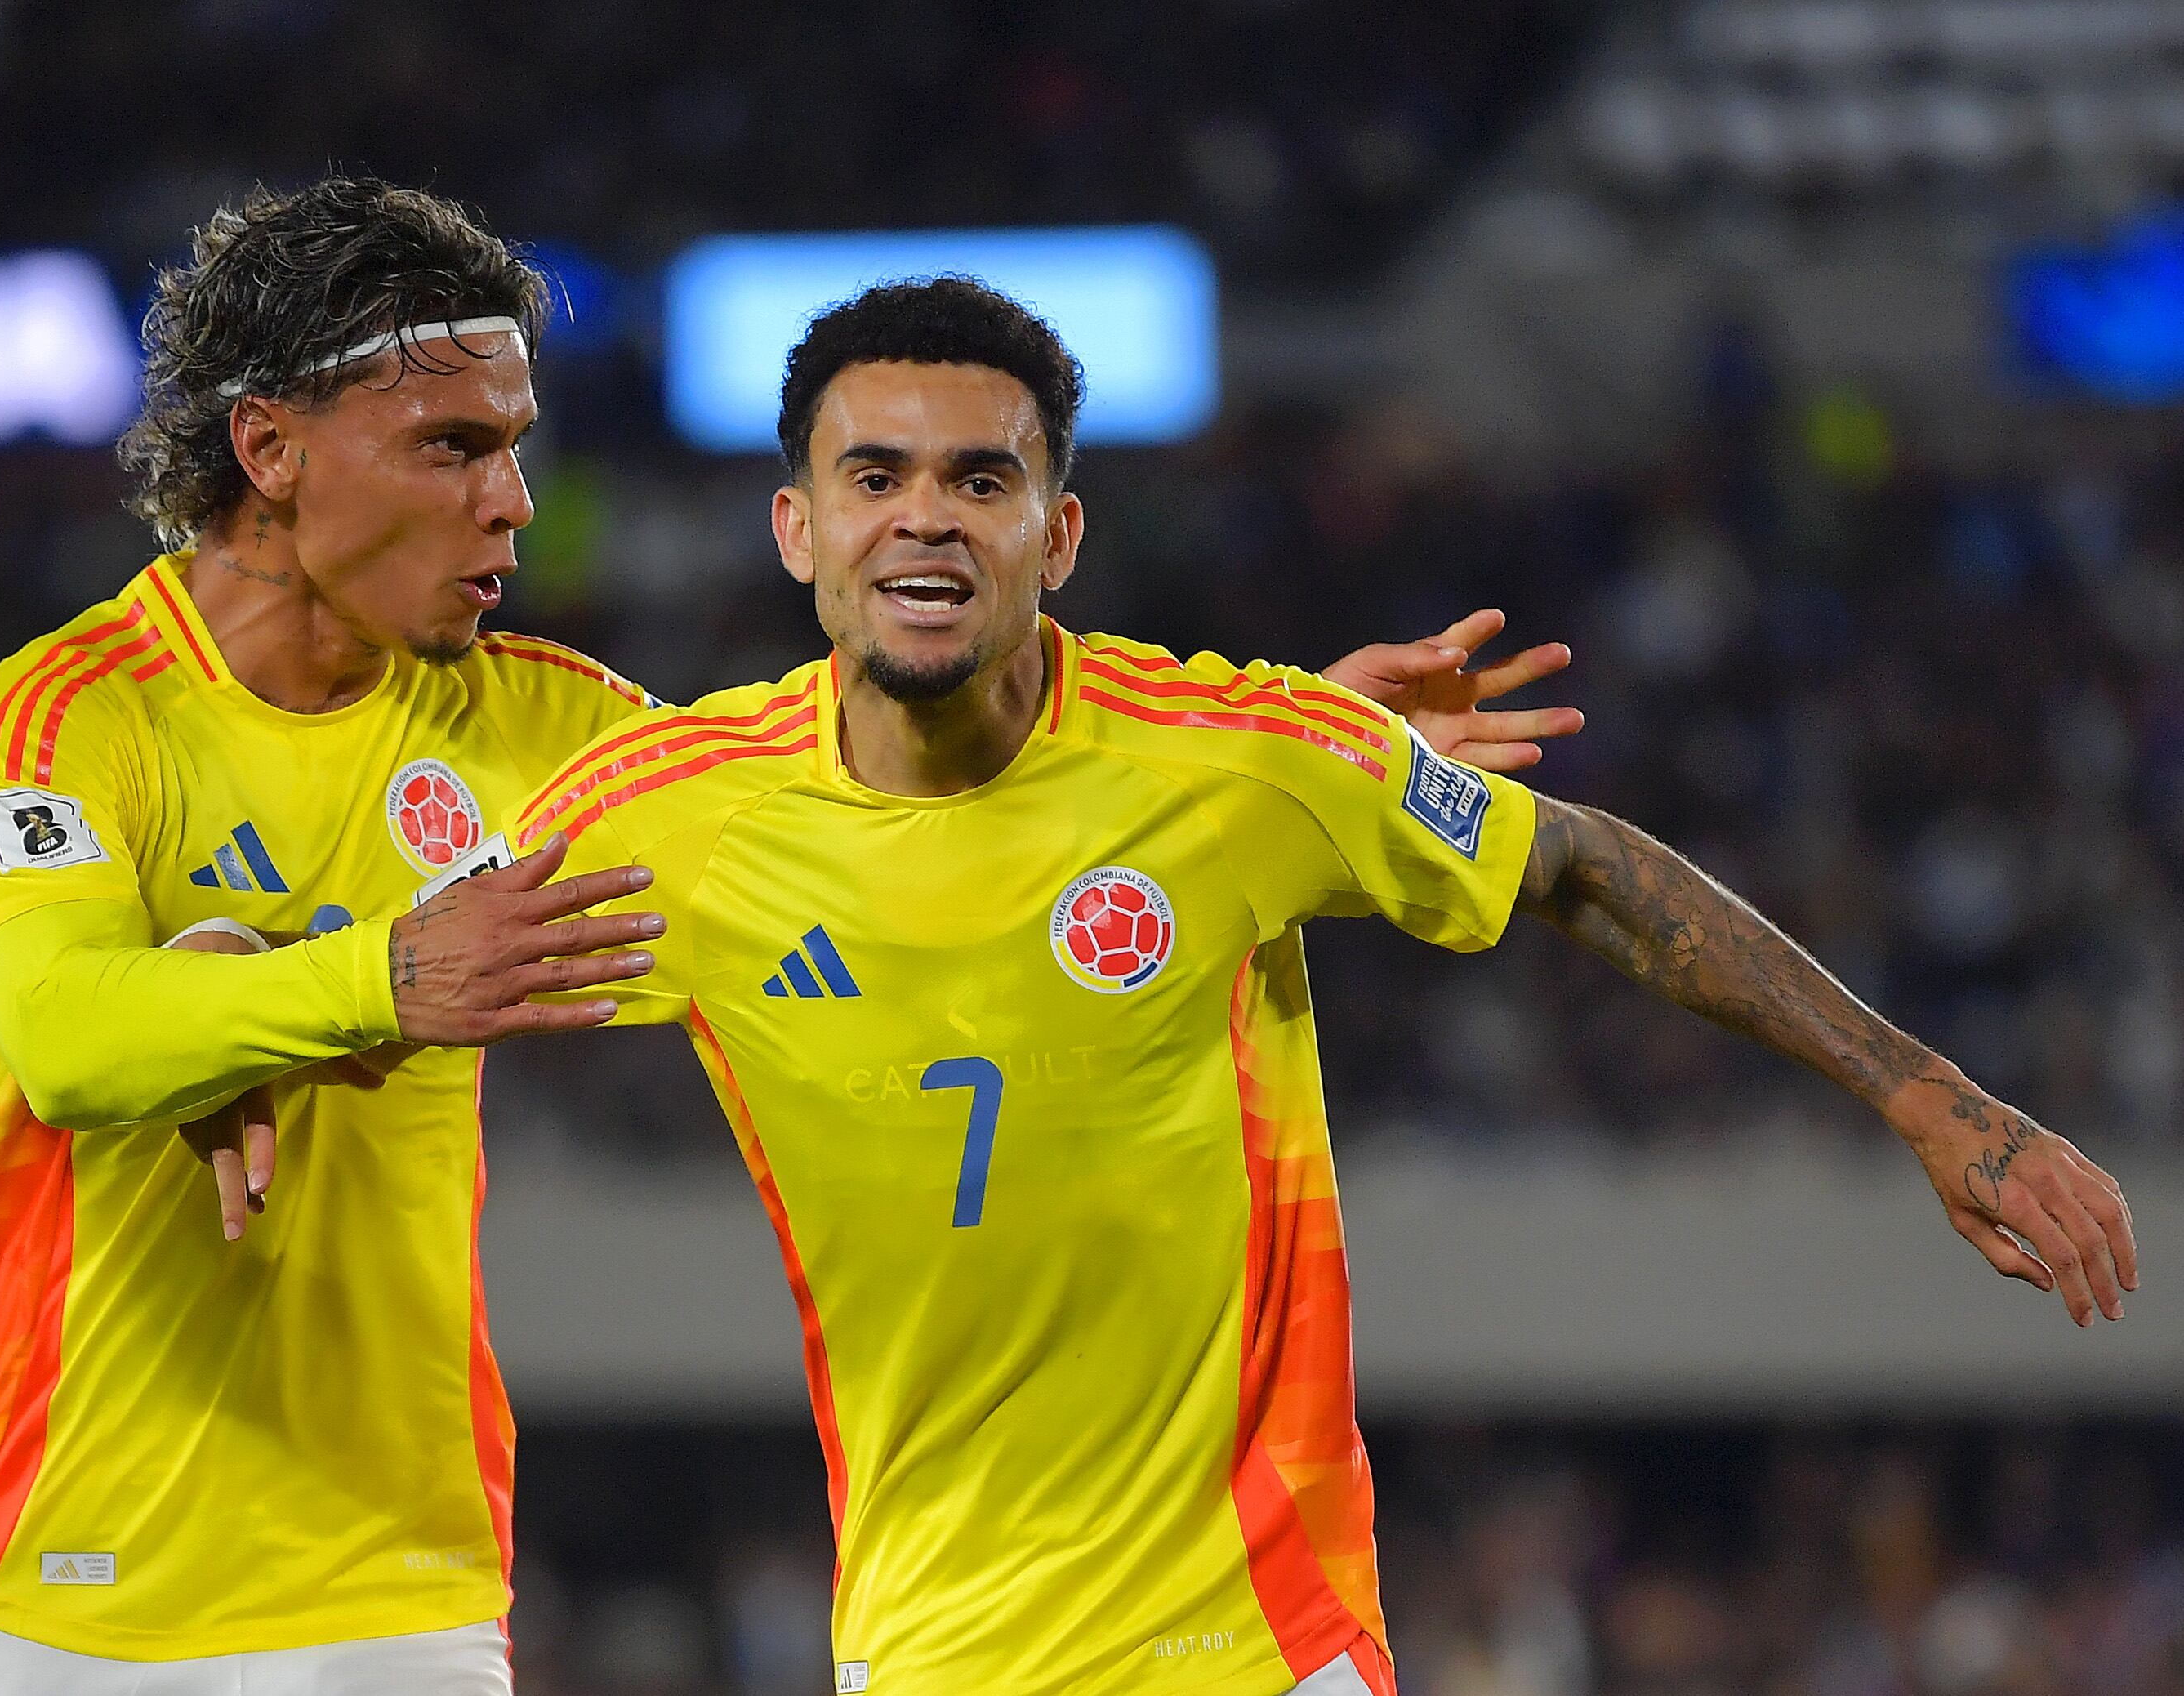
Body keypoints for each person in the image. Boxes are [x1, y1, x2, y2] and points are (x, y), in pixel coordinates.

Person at [0, 175, 1575, 1696]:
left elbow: (868, 803)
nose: (516, 499)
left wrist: (1263, 754)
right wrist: (359, 980)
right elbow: (70, 1035)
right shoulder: (70, 719)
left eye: (516, 442)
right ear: (272, 449)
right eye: (453, 447)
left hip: (404, 1587)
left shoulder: (549, 729)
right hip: (70, 1583)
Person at [475, 279, 2135, 1696]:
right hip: (919, 1647)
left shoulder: (1245, 763)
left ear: (1055, 535)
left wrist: (1933, 1098)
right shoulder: (666, 814)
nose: (924, 514)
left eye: (980, 479)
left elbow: (1582, 869)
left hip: (1249, 1644)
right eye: (874, 474)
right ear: (798, 528)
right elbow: (404, 972)